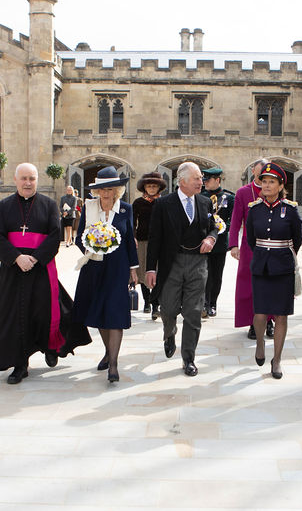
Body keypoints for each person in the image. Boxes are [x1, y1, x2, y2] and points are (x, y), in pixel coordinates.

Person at [0, 163, 91, 384]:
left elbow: (55, 236)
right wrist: (17, 258)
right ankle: (20, 363)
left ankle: (50, 348)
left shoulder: (49, 205)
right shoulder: (4, 206)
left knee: (44, 312)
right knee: (16, 316)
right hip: (13, 271)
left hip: (40, 269)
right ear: (15, 180)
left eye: (32, 178)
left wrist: (34, 258)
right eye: (23, 178)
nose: (27, 182)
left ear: (37, 180)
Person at [145, 162, 220, 376]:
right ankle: (169, 333)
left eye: (201, 178)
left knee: (193, 313)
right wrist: (151, 269)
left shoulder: (205, 202)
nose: (201, 182)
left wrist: (211, 237)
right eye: (196, 178)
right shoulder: (163, 205)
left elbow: (213, 226)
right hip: (172, 264)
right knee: (168, 309)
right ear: (182, 181)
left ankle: (189, 358)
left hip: (198, 264)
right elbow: (154, 239)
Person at [73, 166, 140, 383]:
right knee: (99, 313)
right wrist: (93, 246)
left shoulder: (125, 209)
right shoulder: (89, 207)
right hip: (93, 267)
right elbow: (79, 237)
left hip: (118, 268)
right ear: (96, 191)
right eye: (102, 189)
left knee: (115, 314)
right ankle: (107, 351)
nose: (106, 193)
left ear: (117, 190)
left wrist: (133, 269)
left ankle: (113, 365)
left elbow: (130, 241)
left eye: (110, 189)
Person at [245, 163, 302, 380]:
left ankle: (277, 359)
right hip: (261, 266)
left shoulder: (290, 209)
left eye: (271, 182)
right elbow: (251, 239)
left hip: (283, 268)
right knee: (259, 313)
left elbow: (296, 240)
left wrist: (281, 256)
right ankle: (260, 343)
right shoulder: (254, 209)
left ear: (280, 186)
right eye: (264, 181)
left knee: (281, 315)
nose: (266, 186)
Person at [229, 158, 274, 340]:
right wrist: (233, 245)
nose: (264, 174)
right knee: (249, 286)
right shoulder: (243, 192)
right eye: (260, 171)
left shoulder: (275, 190)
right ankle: (253, 323)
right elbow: (235, 220)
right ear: (253, 172)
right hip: (249, 246)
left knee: (270, 284)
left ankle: (269, 321)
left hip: (271, 245)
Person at [201, 166, 235, 319]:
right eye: (204, 180)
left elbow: (232, 220)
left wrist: (222, 228)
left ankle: (213, 303)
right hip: (203, 241)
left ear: (217, 180)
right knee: (203, 274)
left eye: (208, 180)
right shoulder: (200, 196)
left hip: (220, 243)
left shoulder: (228, 198)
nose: (205, 183)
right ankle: (204, 303)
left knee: (216, 275)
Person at [133, 171, 165, 319]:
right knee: (144, 271)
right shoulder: (138, 203)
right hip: (142, 240)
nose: (152, 189)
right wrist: (132, 237)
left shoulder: (164, 202)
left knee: (158, 272)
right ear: (144, 187)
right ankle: (146, 301)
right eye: (149, 186)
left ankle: (155, 304)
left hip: (160, 242)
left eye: (154, 186)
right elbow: (132, 222)